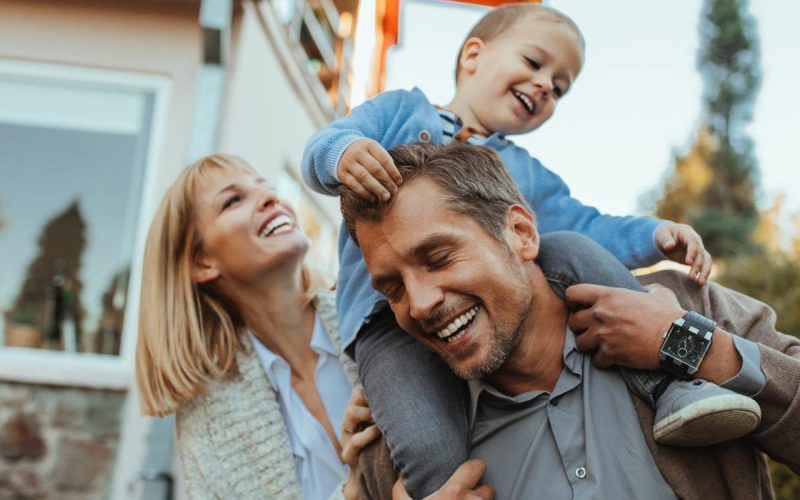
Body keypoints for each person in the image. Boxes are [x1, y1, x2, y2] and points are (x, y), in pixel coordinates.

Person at [302, 3, 757, 496]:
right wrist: (342, 156)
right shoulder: (398, 112)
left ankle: (669, 384)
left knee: (570, 247)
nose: (545, 85)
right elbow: (325, 143)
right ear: (473, 55)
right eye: (535, 62)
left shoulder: (527, 174)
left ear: (520, 229)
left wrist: (652, 236)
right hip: (384, 326)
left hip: (662, 351)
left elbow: (587, 223)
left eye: (560, 87)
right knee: (427, 444)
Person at [341, 142, 800, 499]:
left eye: (438, 257)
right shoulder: (404, 452)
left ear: (520, 233)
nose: (419, 304)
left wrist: (688, 345)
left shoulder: (681, 307)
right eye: (393, 289)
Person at [134, 154, 380, 500]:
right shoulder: (207, 423)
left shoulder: (372, 317)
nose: (271, 198)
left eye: (266, 186)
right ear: (202, 261)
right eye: (233, 200)